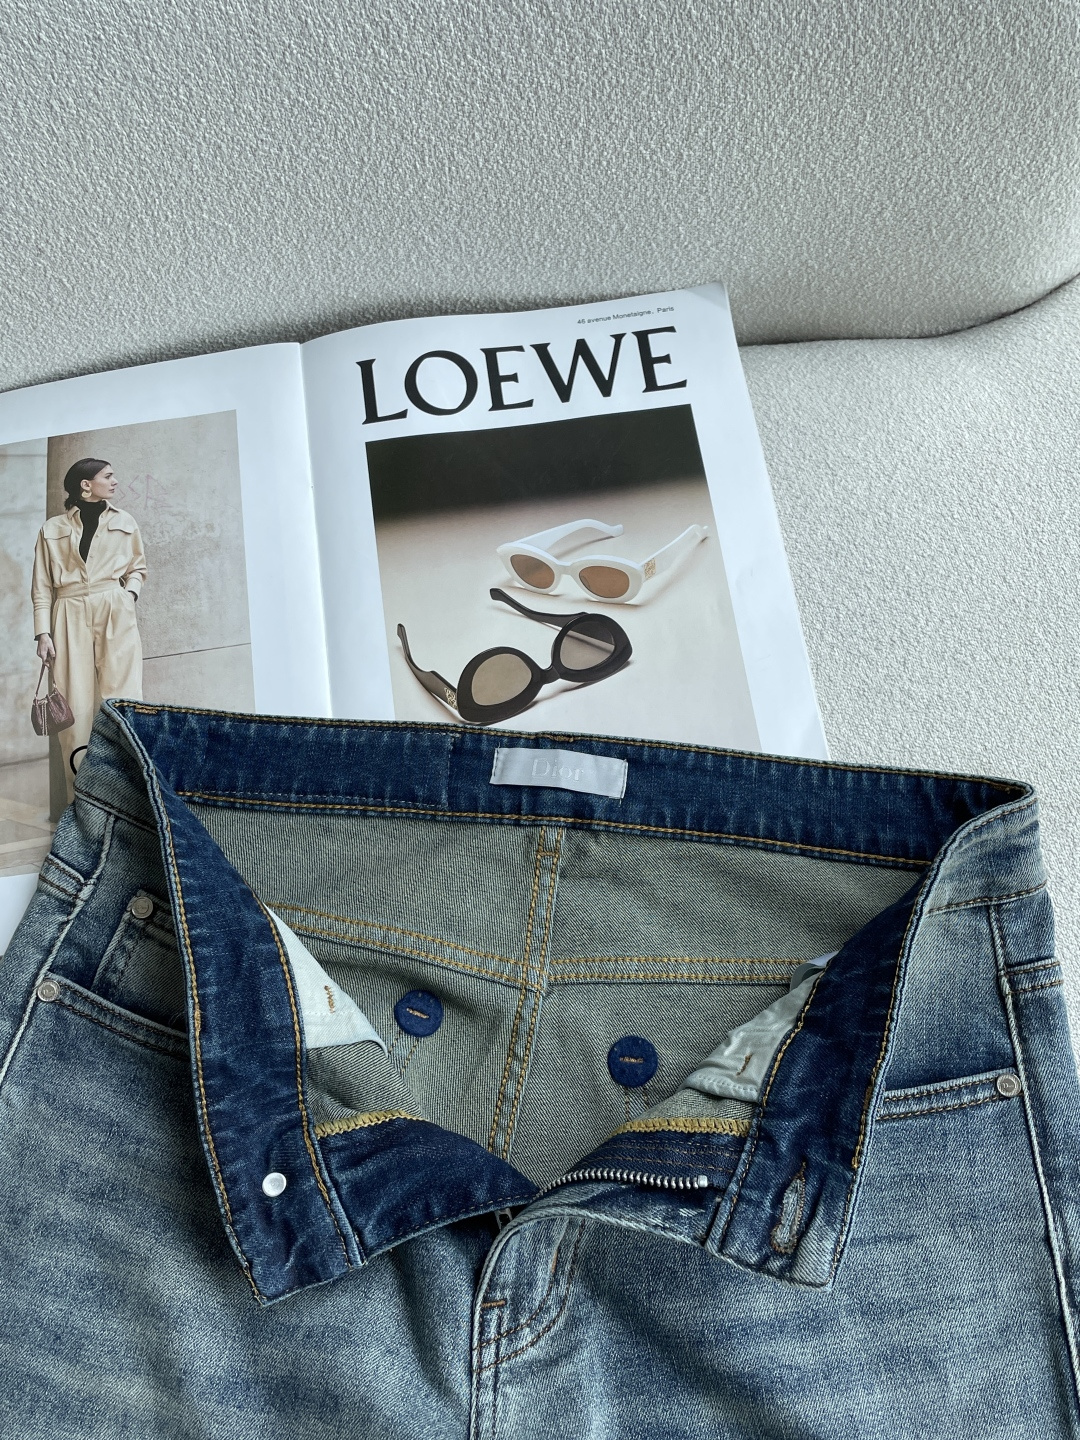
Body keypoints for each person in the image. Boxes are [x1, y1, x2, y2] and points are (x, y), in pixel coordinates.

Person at [31, 458, 146, 799]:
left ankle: (128, 798)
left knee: (123, 700)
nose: (114, 481)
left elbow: (138, 568)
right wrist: (43, 633)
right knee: (74, 708)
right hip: (68, 611)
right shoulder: (51, 529)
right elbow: (41, 587)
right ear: (86, 484)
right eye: (107, 476)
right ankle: (81, 802)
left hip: (114, 609)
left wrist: (128, 596)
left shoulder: (125, 521)